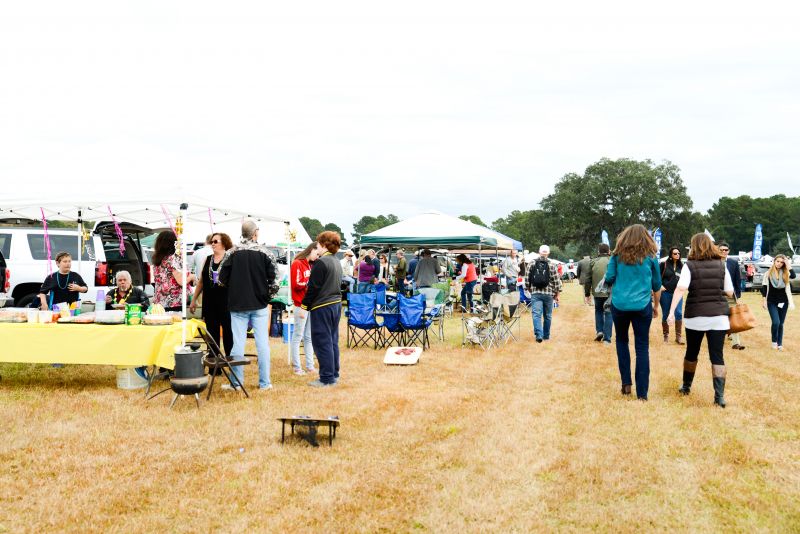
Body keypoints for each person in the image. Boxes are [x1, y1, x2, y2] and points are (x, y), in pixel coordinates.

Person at [667, 233, 735, 407]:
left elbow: (681, 288)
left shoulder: (689, 266)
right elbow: (729, 292)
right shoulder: (722, 265)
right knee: (717, 356)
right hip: (719, 318)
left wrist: (671, 312)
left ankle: (686, 386)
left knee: (692, 352)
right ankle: (719, 397)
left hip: (696, 316)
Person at [219, 220, 278, 392]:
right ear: (255, 234)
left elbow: (221, 279)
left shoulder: (231, 253)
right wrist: (267, 297)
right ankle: (265, 383)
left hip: (238, 305)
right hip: (259, 304)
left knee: (238, 344)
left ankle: (236, 383)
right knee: (262, 344)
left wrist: (234, 289)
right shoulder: (265, 253)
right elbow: (274, 281)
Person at [604, 225, 661, 400]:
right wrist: (656, 306)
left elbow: (609, 278)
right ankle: (642, 393)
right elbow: (657, 285)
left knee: (621, 342)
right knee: (642, 347)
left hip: (619, 304)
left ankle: (626, 384)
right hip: (642, 305)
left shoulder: (616, 256)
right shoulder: (651, 258)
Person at [302, 231, 343, 387]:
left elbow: (313, 288)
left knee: (322, 341)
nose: (316, 246)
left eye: (318, 243)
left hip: (322, 306)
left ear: (324, 245)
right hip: (335, 305)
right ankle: (334, 373)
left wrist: (304, 306)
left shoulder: (321, 262)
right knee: (332, 340)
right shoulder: (336, 261)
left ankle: (326, 378)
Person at [189, 232, 234, 355]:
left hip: (226, 301)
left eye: (215, 241)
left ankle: (229, 360)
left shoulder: (230, 260)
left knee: (228, 332)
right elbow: (201, 282)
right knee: (212, 333)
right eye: (211, 242)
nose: (212, 244)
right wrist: (193, 301)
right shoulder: (208, 259)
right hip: (210, 301)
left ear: (224, 244)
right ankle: (215, 363)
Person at [289, 242, 319, 375]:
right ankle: (297, 367)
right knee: (298, 336)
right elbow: (296, 284)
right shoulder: (297, 263)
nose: (317, 257)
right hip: (300, 305)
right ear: (311, 250)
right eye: (316, 253)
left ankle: (310, 366)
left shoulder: (310, 264)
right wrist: (310, 283)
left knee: (308, 337)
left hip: (310, 304)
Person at [151, 230, 195, 312]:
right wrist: (192, 276)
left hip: (159, 301)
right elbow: (181, 281)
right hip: (174, 302)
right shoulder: (174, 258)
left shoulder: (157, 260)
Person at [527, 245, 563, 343]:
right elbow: (557, 282)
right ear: (548, 253)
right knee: (548, 315)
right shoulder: (552, 265)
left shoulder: (531, 263)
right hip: (548, 294)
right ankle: (546, 336)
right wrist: (557, 295)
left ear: (539, 252)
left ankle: (539, 334)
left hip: (536, 293)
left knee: (536, 315)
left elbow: (527, 280)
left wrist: (530, 290)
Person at [760, 254, 796, 351]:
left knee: (781, 324)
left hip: (784, 301)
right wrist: (764, 301)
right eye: (778, 261)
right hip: (771, 301)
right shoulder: (768, 273)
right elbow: (764, 288)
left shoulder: (786, 273)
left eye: (781, 262)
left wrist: (788, 264)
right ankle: (774, 341)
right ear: (774, 261)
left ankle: (779, 344)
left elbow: (793, 275)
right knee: (776, 322)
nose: (779, 264)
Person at [718, 242, 745, 350]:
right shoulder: (712, 261)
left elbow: (737, 280)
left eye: (726, 250)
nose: (724, 252)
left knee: (733, 318)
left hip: (730, 294)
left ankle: (736, 343)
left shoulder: (733, 263)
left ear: (728, 251)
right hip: (715, 294)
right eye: (721, 250)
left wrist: (737, 295)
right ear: (717, 250)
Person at [584, 243, 612, 344]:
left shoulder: (593, 262)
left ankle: (599, 331)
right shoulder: (612, 261)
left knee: (599, 311)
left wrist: (587, 294)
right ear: (609, 251)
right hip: (610, 293)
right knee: (609, 313)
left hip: (597, 292)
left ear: (598, 252)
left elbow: (587, 280)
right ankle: (607, 338)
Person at [659, 246, 686, 345]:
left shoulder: (682, 266)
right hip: (665, 293)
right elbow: (657, 276)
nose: (677, 255)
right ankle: (666, 336)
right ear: (671, 255)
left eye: (678, 253)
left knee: (678, 313)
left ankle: (678, 337)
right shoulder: (663, 264)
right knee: (666, 314)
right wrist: (660, 285)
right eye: (675, 253)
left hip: (677, 293)